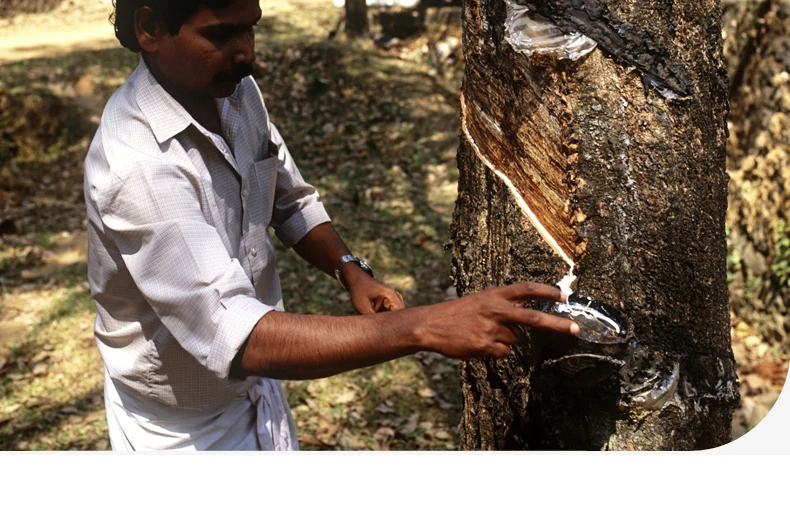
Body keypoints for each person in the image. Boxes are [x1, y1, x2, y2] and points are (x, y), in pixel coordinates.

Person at [83, 0, 579, 451]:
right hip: (181, 431)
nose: (247, 53)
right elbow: (239, 338)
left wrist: (350, 269)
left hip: (257, 391)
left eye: (251, 30)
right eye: (221, 34)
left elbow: (288, 198)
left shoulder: (235, 93)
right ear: (149, 27)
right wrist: (424, 326)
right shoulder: (137, 164)